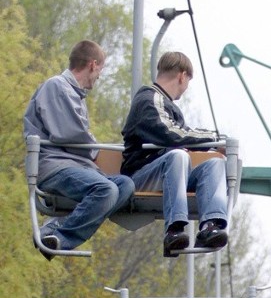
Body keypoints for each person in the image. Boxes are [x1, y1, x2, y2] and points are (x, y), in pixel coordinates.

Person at [23, 39, 135, 258]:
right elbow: (70, 134)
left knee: (125, 185)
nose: (99, 76)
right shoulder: (56, 86)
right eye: (100, 69)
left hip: (76, 166)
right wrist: (97, 152)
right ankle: (61, 239)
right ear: (93, 65)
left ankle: (55, 229)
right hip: (55, 166)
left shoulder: (75, 95)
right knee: (106, 190)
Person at [121, 51, 229, 258]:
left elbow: (180, 136)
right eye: (187, 81)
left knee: (215, 164)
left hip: (170, 175)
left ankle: (210, 225)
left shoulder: (168, 106)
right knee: (178, 156)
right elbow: (171, 134)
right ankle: (175, 228)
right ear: (182, 76)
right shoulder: (149, 99)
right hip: (142, 176)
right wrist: (214, 139)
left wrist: (214, 149)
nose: (186, 87)